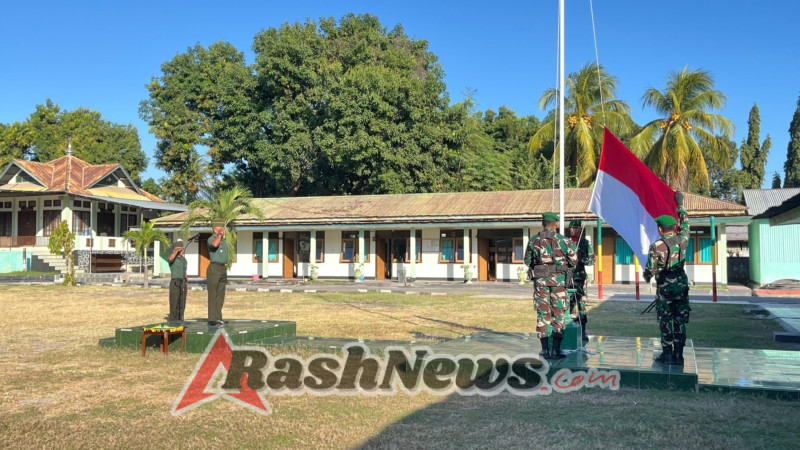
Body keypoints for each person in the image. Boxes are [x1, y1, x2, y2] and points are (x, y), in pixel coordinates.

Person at [643, 191, 690, 365]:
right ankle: (679, 355)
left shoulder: (656, 246)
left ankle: (667, 354)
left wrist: (647, 276)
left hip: (664, 288)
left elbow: (651, 268)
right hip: (681, 285)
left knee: (665, 320)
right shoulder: (683, 240)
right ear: (674, 228)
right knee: (680, 320)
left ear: (660, 229)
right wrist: (680, 204)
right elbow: (686, 224)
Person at [524, 211, 578, 359]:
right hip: (559, 282)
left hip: (540, 282)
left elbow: (527, 261)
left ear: (542, 223)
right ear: (556, 224)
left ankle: (544, 350)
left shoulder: (533, 240)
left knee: (543, 314)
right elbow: (574, 261)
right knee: (558, 313)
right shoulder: (565, 241)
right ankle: (555, 350)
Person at [568, 220, 595, 342]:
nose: (574, 230)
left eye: (576, 227)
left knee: (582, 305)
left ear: (580, 229)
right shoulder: (565, 242)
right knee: (569, 304)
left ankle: (583, 330)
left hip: (580, 278)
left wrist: (582, 260)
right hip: (568, 278)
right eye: (572, 228)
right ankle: (570, 329)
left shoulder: (585, 243)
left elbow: (592, 259)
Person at [207, 221, 229, 326]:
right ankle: (212, 318)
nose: (223, 230)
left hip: (222, 268)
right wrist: (219, 234)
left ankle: (218, 317)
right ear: (215, 229)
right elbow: (214, 245)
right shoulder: (211, 239)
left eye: (223, 228)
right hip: (214, 268)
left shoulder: (223, 241)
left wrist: (221, 236)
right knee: (213, 294)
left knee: (220, 294)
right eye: (221, 228)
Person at [167, 239, 188, 322]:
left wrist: (186, 285)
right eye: (179, 249)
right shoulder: (173, 259)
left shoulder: (184, 260)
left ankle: (180, 320)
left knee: (182, 303)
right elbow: (170, 259)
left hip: (183, 282)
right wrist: (176, 252)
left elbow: (185, 274)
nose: (182, 250)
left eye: (182, 249)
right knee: (174, 303)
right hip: (175, 282)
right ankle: (173, 321)